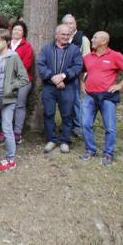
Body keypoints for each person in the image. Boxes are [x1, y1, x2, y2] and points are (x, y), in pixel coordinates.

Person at [79, 31, 123, 166]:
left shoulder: (115, 56)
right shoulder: (88, 57)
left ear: (104, 41)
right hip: (90, 96)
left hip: (107, 97)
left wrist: (120, 85)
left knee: (110, 127)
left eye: (95, 38)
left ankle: (108, 154)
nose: (92, 40)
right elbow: (80, 70)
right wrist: (82, 83)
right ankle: (90, 150)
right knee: (85, 124)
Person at [37, 24, 83, 154]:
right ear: (56, 35)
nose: (66, 37)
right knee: (48, 113)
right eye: (63, 34)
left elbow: (77, 66)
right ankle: (51, 139)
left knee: (67, 114)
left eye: (68, 35)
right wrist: (53, 78)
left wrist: (63, 76)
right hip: (49, 87)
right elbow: (41, 65)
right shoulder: (46, 49)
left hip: (67, 87)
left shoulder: (74, 50)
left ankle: (65, 141)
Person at [0, 30, 29, 172]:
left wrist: (10, 87)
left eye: (0, 40)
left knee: (7, 128)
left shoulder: (13, 57)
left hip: (7, 98)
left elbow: (24, 78)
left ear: (7, 41)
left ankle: (11, 159)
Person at [62, 13, 90, 137]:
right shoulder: (62, 37)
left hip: (78, 76)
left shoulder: (82, 39)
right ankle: (69, 124)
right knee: (66, 102)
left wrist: (83, 79)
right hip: (64, 76)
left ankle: (78, 126)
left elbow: (87, 59)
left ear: (75, 24)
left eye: (71, 23)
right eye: (66, 23)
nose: (68, 25)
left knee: (77, 102)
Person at [9, 21, 34, 144]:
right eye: (15, 29)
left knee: (19, 105)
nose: (17, 32)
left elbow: (26, 64)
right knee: (7, 105)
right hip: (6, 80)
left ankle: (17, 133)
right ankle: (6, 131)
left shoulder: (27, 46)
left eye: (20, 30)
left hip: (23, 80)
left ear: (23, 33)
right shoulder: (7, 44)